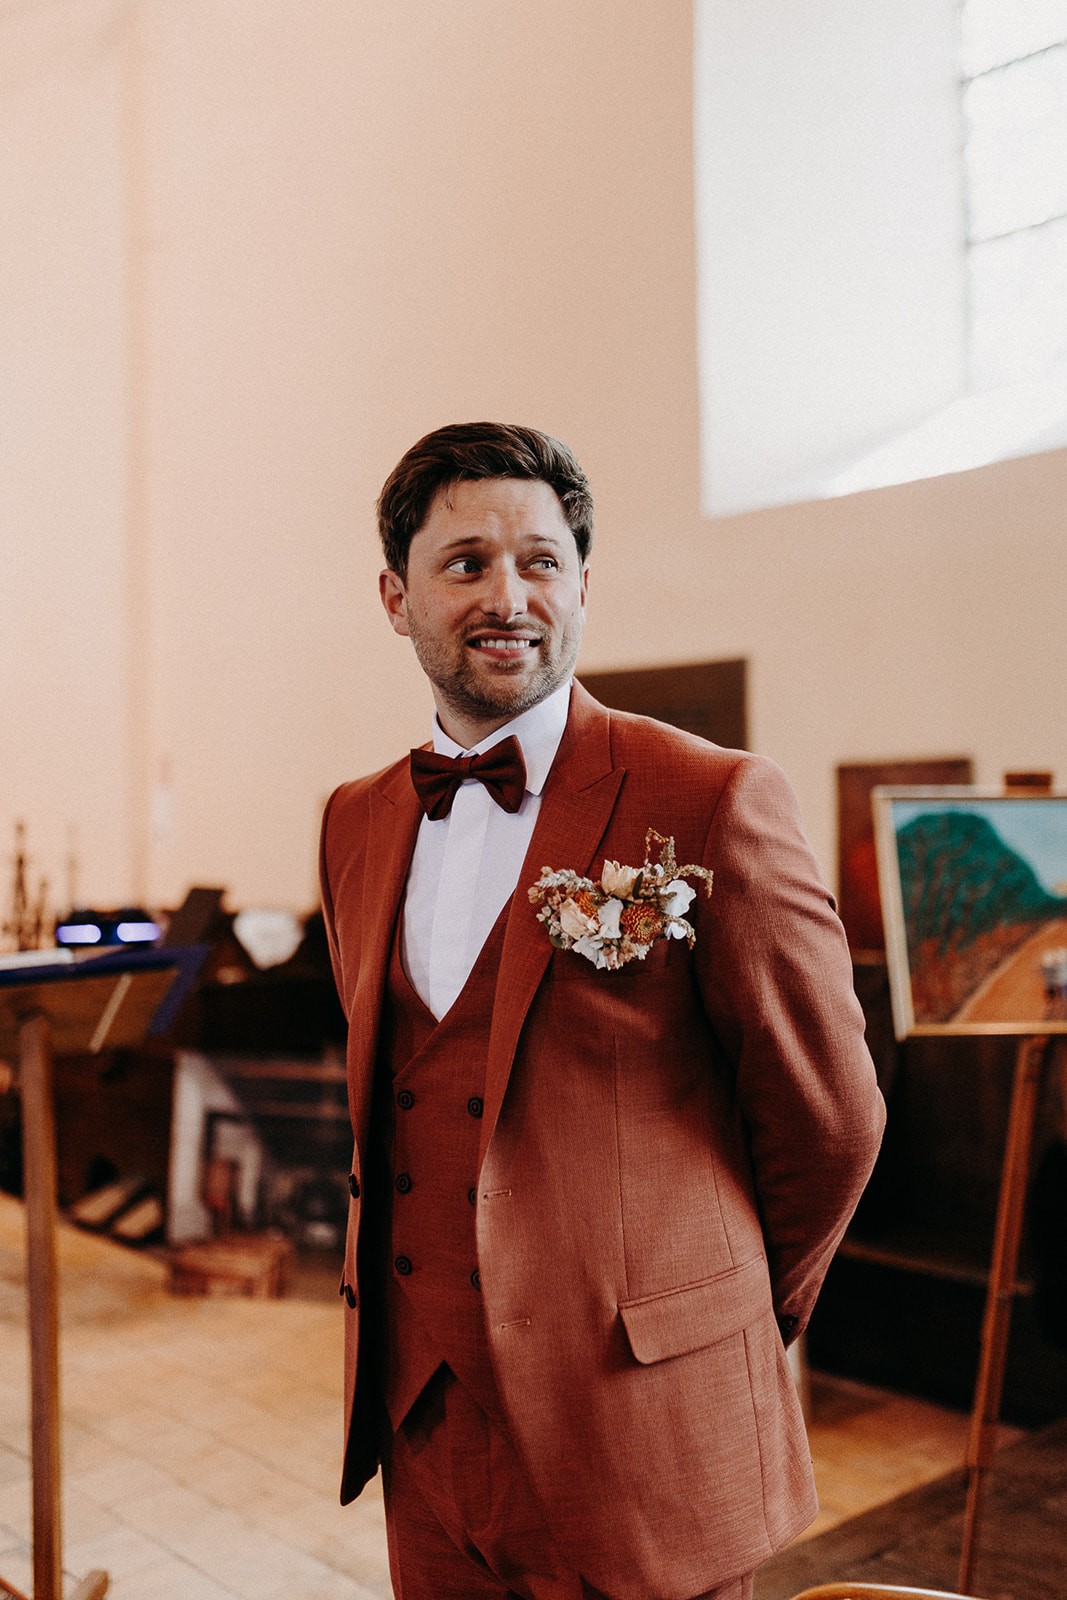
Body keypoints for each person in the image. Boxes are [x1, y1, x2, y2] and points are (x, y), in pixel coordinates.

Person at [319, 421, 885, 1600]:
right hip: (421, 1422)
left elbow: (827, 1120)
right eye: (464, 561)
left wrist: (715, 1316)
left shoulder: (712, 795)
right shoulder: (353, 819)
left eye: (540, 559)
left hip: (640, 1426)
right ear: (395, 594)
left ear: (582, 582)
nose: (506, 594)